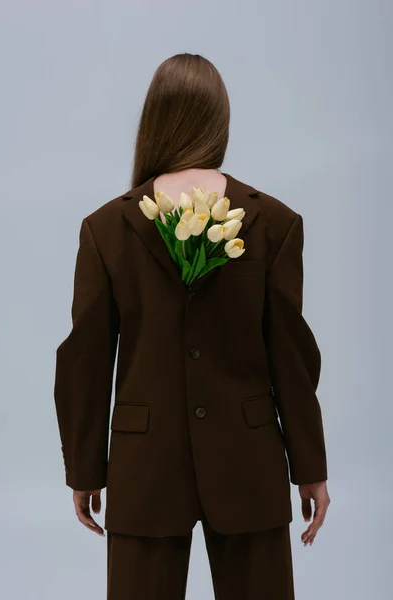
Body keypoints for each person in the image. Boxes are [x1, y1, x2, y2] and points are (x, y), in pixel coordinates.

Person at [54, 52, 331, 600]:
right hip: (249, 460)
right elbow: (293, 359)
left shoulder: (106, 228)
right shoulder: (272, 221)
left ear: (154, 120)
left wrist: (85, 471)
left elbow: (83, 361)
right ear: (219, 121)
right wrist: (311, 469)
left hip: (143, 465)